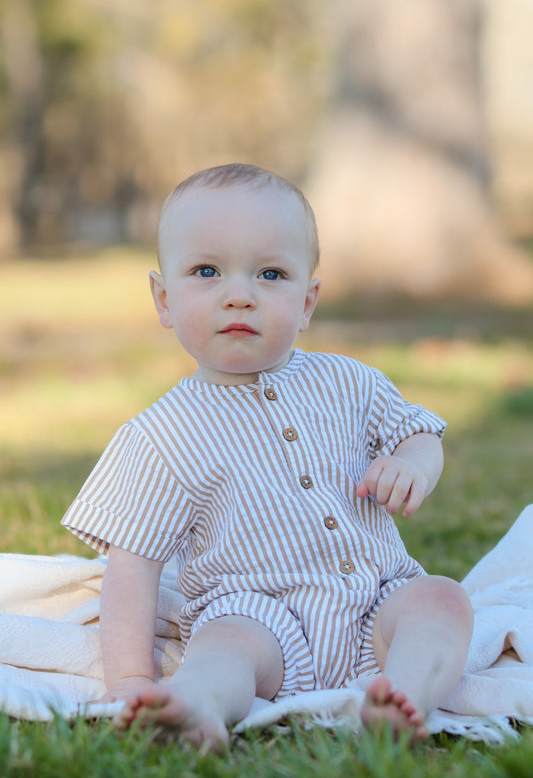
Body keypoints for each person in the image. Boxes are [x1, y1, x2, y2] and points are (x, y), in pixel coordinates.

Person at [61, 163, 473, 750]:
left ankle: (402, 696)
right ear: (164, 299)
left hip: (376, 600)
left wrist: (413, 466)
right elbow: (132, 569)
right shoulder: (160, 435)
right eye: (206, 271)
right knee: (221, 649)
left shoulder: (350, 382)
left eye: (270, 274)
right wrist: (129, 678)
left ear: (307, 302)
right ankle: (197, 704)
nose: (239, 296)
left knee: (442, 599)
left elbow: (420, 434)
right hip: (258, 619)